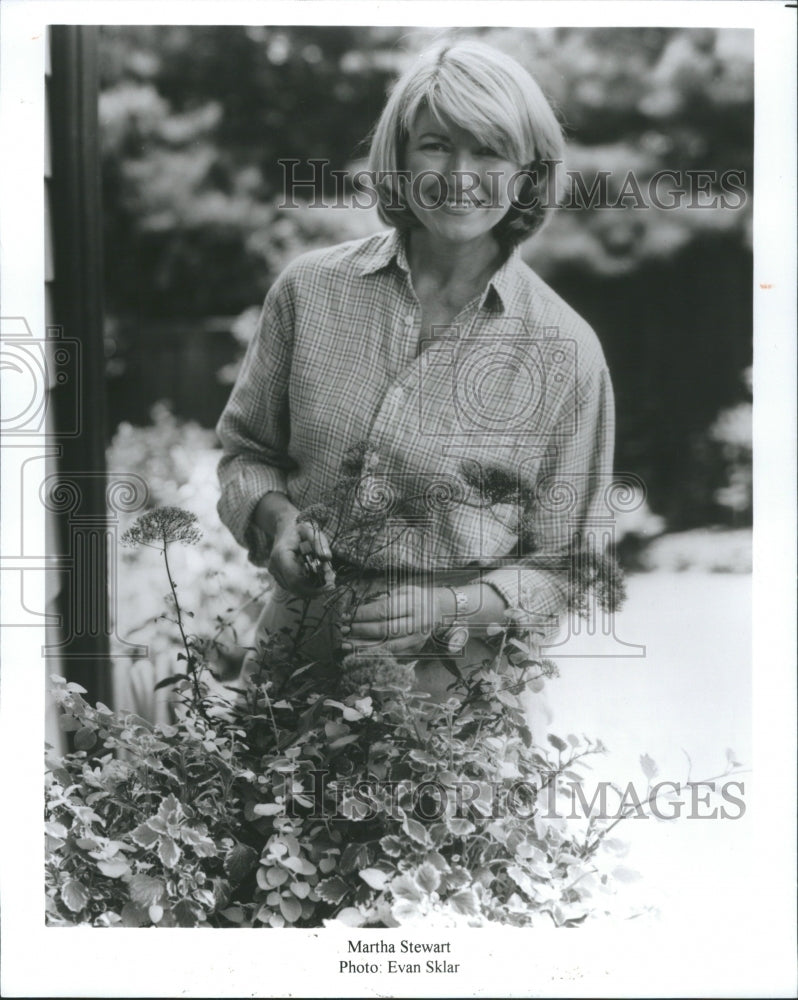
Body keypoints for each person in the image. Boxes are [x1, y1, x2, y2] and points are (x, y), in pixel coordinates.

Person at [216, 39, 615, 710]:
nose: (459, 176)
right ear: (399, 160)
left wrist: (448, 609)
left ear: (528, 173)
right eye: (435, 145)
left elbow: (569, 566)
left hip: (455, 711)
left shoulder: (567, 351)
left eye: (488, 150)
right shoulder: (308, 292)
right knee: (268, 817)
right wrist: (279, 521)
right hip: (292, 677)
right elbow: (246, 455)